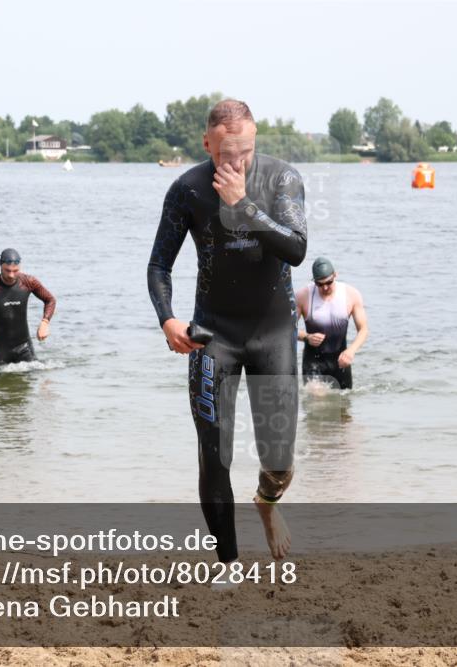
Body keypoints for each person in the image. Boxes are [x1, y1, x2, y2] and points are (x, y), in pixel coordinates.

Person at [146, 99, 307, 563]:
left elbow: (296, 249)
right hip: (212, 336)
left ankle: (268, 501)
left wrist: (245, 205)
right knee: (214, 455)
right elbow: (159, 264)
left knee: (278, 460)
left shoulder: (281, 179)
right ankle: (228, 564)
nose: (235, 164)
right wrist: (168, 319)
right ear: (206, 143)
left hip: (273, 333)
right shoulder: (187, 190)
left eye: (245, 153)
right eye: (224, 155)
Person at [0, 248, 56, 366]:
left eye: (15, 270)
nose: (11, 275)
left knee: (41, 378)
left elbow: (50, 300)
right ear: (0, 266)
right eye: (7, 270)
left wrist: (45, 322)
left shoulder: (28, 282)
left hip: (24, 348)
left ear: (20, 267)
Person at [296, 257, 369, 390]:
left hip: (341, 361)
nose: (324, 287)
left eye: (329, 282)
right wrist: (306, 337)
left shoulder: (351, 294)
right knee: (318, 404)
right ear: (314, 281)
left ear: (335, 275)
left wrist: (351, 351)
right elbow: (287, 329)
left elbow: (363, 329)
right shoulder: (303, 296)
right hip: (313, 362)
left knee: (344, 407)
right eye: (319, 284)